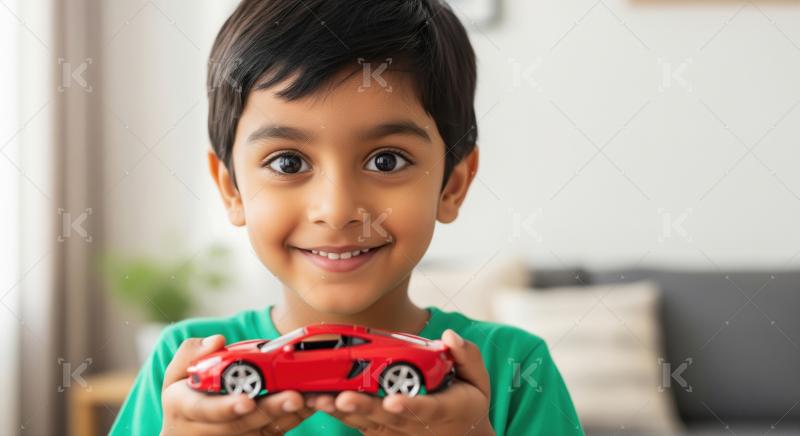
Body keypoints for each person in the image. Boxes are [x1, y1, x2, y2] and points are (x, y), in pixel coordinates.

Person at [111, 0, 583, 434]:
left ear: (453, 184)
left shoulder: (516, 370)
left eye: (386, 161)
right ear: (231, 188)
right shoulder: (188, 366)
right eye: (288, 163)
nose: (337, 211)